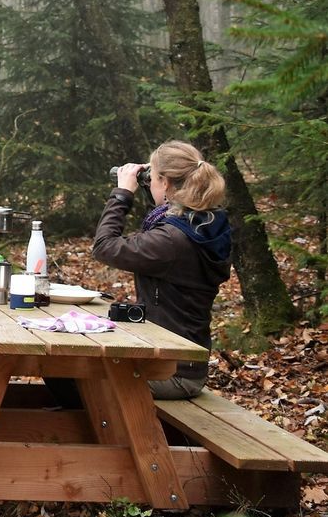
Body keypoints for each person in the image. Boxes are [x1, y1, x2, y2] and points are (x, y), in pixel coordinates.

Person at [93, 140, 232, 399]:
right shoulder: (203, 223)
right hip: (180, 364)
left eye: (153, 177)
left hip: (171, 374)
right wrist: (151, 184)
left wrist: (122, 194)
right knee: (76, 377)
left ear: (165, 183)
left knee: (72, 376)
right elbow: (163, 218)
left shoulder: (171, 241)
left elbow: (104, 247)